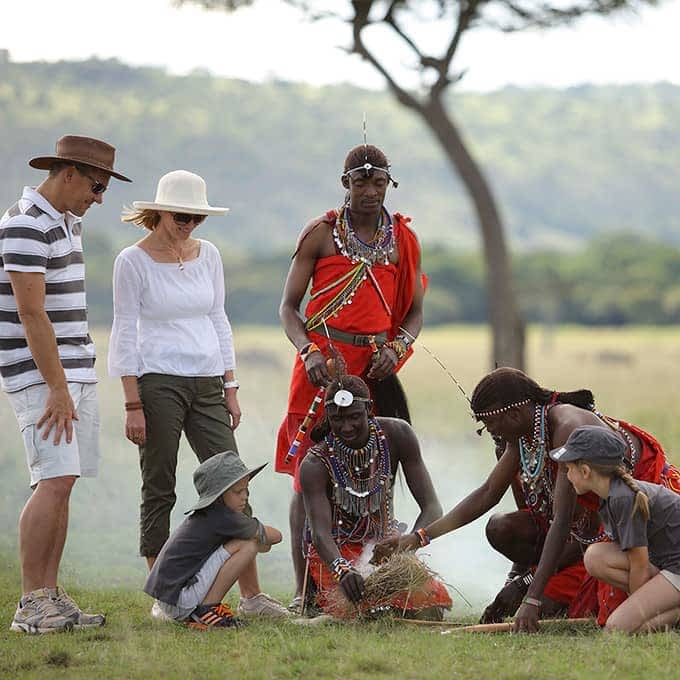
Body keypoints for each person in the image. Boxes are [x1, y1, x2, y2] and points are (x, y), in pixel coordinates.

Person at [374, 367, 680, 632]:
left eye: (490, 423)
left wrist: (528, 592)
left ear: (515, 414)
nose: (488, 431)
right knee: (505, 529)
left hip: (639, 524)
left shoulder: (567, 429)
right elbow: (487, 494)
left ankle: (656, 596)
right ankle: (658, 593)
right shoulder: (527, 430)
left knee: (591, 610)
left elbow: (561, 522)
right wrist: (419, 537)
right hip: (593, 533)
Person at [108, 170, 288, 618]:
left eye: (197, 217)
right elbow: (124, 331)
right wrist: (132, 402)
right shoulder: (132, 261)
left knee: (235, 481)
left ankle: (251, 597)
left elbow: (218, 319)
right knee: (159, 482)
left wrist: (230, 386)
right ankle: (165, 598)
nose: (189, 223)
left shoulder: (208, 255)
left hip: (208, 382)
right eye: (181, 215)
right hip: (157, 382)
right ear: (160, 212)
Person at [277, 144, 425, 610]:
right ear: (346, 183)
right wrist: (309, 352)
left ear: (388, 185)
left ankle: (377, 583)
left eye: (378, 183)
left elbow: (415, 311)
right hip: (321, 369)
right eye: (361, 182)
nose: (369, 191)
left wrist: (398, 348)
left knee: (376, 472)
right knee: (307, 477)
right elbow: (288, 308)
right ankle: (305, 592)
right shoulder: (321, 234)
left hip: (375, 371)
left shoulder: (402, 240)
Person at [1, 135, 131, 634]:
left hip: (74, 369)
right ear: (68, 172)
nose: (98, 199)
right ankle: (31, 604)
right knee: (51, 480)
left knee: (64, 482)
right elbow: (30, 313)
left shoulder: (66, 223)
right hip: (42, 376)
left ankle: (49, 596)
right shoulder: (25, 225)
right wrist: (55, 386)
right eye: (96, 187)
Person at [299, 373, 451, 617]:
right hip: (337, 550)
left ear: (369, 409)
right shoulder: (314, 464)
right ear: (328, 417)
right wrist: (342, 570)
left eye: (354, 417)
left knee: (427, 606)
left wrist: (408, 546)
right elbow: (320, 534)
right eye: (337, 419)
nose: (346, 427)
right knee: (359, 608)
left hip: (386, 546)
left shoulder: (398, 434)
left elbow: (432, 507)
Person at [552, 426, 680, 632]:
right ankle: (665, 603)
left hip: (675, 566)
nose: (567, 476)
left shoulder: (623, 499)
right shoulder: (611, 495)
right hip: (665, 561)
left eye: (569, 470)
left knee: (616, 628)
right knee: (595, 557)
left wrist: (636, 607)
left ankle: (672, 611)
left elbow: (639, 562)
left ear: (585, 471)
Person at [145, 451, 283, 629]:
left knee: (250, 542)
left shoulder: (210, 515)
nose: (245, 496)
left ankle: (202, 609)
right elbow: (276, 536)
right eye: (237, 491)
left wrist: (260, 540)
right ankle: (207, 609)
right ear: (219, 495)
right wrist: (259, 538)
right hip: (180, 600)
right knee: (248, 544)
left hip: (170, 600)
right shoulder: (224, 517)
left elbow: (264, 545)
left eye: (246, 490)